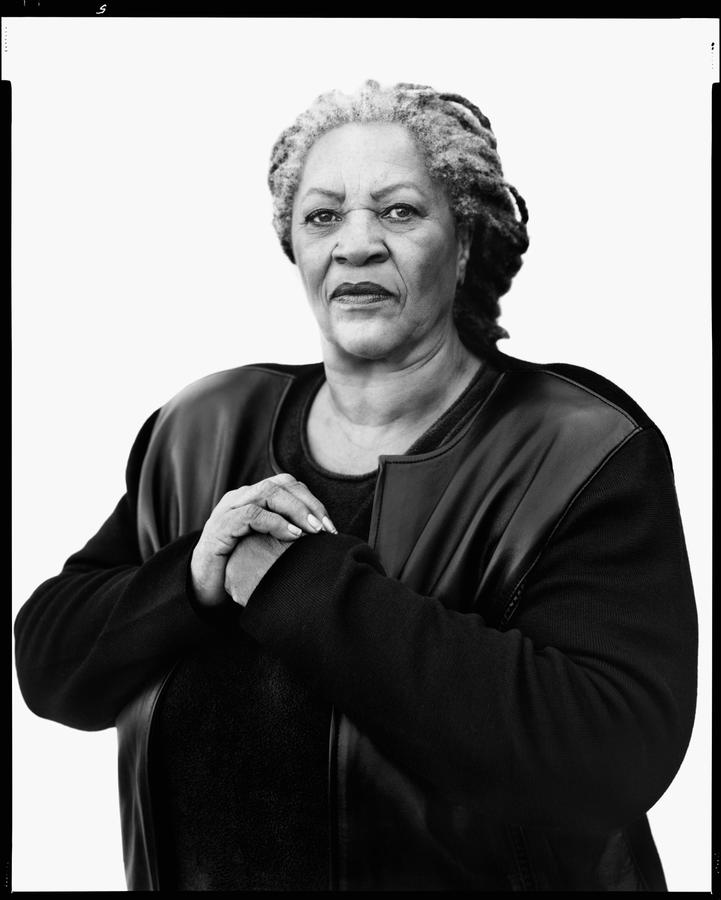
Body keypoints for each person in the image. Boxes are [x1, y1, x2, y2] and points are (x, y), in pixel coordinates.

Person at [14, 80, 698, 892]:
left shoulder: (573, 445)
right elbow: (51, 665)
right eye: (322, 216)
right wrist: (193, 576)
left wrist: (295, 583)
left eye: (399, 211)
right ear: (295, 248)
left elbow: (607, 755)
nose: (356, 245)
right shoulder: (203, 427)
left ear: (464, 242)